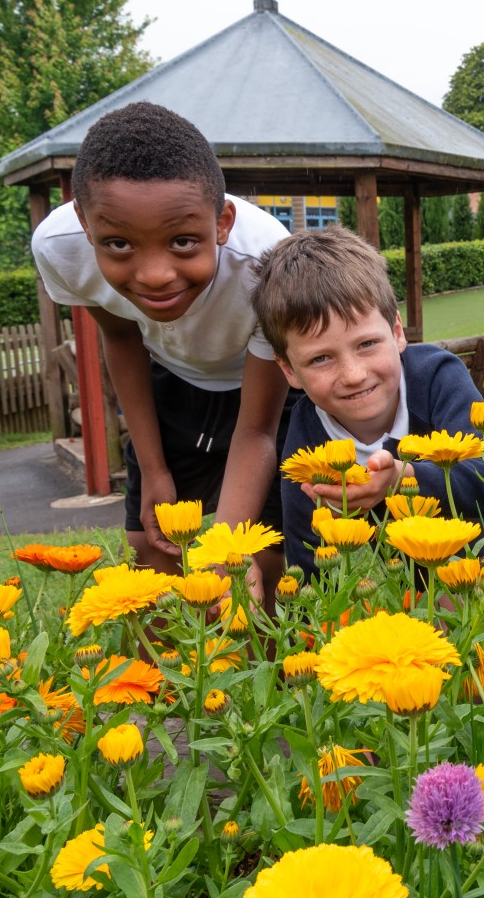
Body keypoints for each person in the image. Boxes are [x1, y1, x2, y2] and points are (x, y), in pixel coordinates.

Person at [32, 101, 291, 597]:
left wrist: (224, 553)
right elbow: (121, 335)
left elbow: (257, 428)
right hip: (173, 382)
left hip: (268, 386)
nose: (155, 275)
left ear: (223, 223)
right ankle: (158, 676)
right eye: (119, 245)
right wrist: (151, 468)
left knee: (260, 559)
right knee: (150, 547)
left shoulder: (267, 263)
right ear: (86, 227)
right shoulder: (58, 247)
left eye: (183, 242)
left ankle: (270, 671)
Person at [251, 227, 484, 577]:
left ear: (397, 332)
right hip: (383, 590)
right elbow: (305, 560)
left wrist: (403, 478)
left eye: (366, 344)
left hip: (466, 575)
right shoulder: (306, 430)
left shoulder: (438, 377)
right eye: (320, 359)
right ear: (289, 370)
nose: (353, 374)